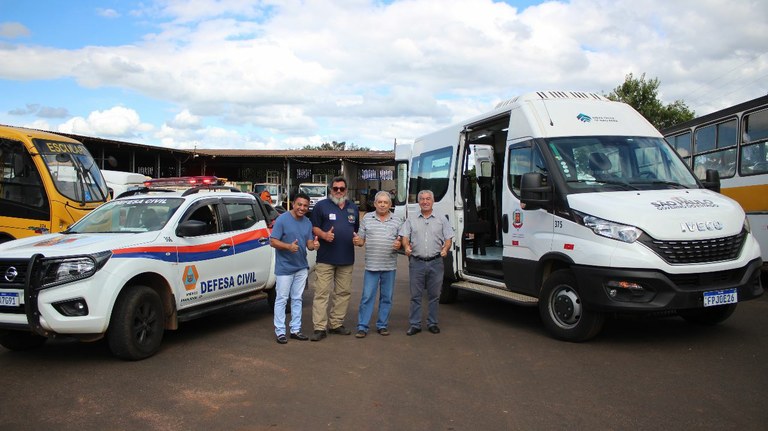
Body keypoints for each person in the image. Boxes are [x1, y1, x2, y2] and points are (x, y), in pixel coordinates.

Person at [309, 176, 359, 341]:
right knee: (322, 293)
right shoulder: (321, 206)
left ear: (346, 190)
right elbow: (314, 227)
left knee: (343, 293)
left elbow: (355, 230)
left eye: (342, 189)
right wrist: (324, 234)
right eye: (335, 188)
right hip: (325, 259)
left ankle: (336, 324)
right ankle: (320, 328)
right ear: (331, 190)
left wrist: (357, 239)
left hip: (346, 259)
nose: (338, 191)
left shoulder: (353, 208)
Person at [399, 189, 454, 336]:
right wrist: (406, 246)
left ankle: (432, 323)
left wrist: (446, 248)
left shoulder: (442, 219)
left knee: (434, 295)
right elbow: (404, 235)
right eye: (422, 199)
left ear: (433, 201)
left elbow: (448, 238)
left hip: (436, 262)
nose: (425, 202)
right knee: (415, 296)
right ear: (418, 202)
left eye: (428, 199)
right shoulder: (411, 219)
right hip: (416, 262)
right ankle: (415, 324)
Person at [269, 192, 319, 344]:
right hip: (284, 268)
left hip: (301, 267)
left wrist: (314, 245)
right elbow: (272, 241)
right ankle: (280, 331)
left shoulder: (307, 222)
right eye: (299, 204)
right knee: (282, 299)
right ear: (293, 204)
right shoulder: (282, 220)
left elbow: (309, 244)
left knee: (297, 299)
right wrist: (288, 247)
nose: (302, 208)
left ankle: (295, 330)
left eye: (305, 205)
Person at [353, 191, 402, 338]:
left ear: (390, 205)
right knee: (367, 296)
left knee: (387, 297)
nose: (382, 204)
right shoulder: (367, 218)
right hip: (372, 267)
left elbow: (403, 242)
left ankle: (382, 325)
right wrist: (357, 241)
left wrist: (399, 244)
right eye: (379, 202)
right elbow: (361, 241)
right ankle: (362, 326)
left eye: (385, 202)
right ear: (374, 204)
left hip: (389, 266)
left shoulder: (397, 220)